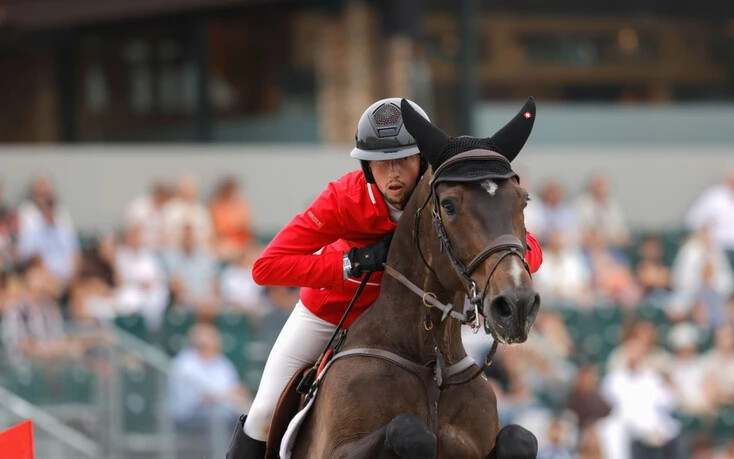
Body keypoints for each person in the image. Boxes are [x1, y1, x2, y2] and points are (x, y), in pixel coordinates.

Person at [225, 98, 543, 457]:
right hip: (333, 313)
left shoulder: (444, 196)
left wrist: (506, 261)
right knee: (264, 412)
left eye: (403, 161)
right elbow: (266, 267)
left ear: (422, 161)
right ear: (366, 166)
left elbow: (526, 246)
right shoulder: (345, 198)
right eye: (381, 163)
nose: (393, 174)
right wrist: (351, 262)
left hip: (418, 324)